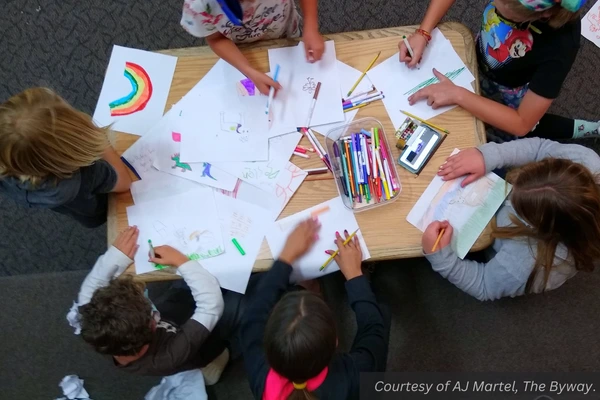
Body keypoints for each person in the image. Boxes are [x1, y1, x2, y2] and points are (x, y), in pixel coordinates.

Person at [422, 137, 600, 301]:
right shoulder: (587, 160)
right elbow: (539, 148)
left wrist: (441, 258)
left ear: (538, 227)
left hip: (493, 246)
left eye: (517, 205)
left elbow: (484, 285)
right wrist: (488, 156)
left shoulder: (527, 263)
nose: (510, 191)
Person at [399, 0, 599, 142]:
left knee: (503, 133)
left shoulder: (561, 46)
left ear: (542, 15)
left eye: (499, 4)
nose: (491, 4)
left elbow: (521, 123)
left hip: (510, 94)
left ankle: (588, 129)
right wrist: (423, 32)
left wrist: (458, 95)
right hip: (480, 61)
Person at [240, 219, 388, 400]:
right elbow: (373, 329)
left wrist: (286, 256)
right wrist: (355, 276)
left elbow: (255, 312)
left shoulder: (261, 378)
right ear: (335, 341)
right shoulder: (355, 374)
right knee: (381, 313)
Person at [68, 226, 230, 384]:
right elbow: (211, 305)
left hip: (172, 319)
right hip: (199, 349)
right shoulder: (168, 356)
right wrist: (182, 261)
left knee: (181, 295)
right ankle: (210, 365)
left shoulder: (91, 318)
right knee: (231, 316)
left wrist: (116, 257)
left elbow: (89, 290)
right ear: (153, 323)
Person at [0, 87, 132, 228]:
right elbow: (124, 182)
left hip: (51, 198)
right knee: (101, 209)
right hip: (93, 202)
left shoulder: (8, 157)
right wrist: (97, 139)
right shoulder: (87, 174)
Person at [180, 0, 324, 95]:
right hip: (243, 47)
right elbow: (216, 38)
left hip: (284, 28)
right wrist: (248, 70)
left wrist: (311, 25)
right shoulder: (199, 4)